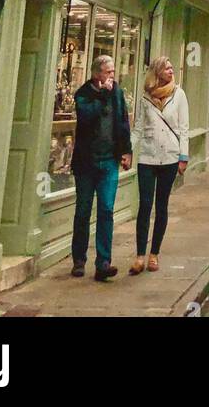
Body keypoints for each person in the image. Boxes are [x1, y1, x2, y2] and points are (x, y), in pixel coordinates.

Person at [70, 54, 132, 281]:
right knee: (83, 210)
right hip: (86, 163)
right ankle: (79, 259)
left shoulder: (116, 92)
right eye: (108, 72)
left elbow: (123, 122)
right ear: (97, 74)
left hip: (108, 161)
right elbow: (86, 117)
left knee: (106, 209)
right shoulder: (83, 94)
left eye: (113, 72)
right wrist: (103, 95)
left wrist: (126, 151)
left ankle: (103, 262)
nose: (112, 76)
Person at [129, 56, 188, 275]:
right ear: (157, 72)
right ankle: (139, 256)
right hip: (147, 157)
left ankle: (154, 254)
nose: (171, 71)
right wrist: (128, 150)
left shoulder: (179, 95)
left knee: (161, 205)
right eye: (167, 68)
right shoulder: (145, 97)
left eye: (172, 68)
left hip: (170, 158)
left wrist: (184, 157)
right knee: (145, 205)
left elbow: (183, 128)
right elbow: (138, 128)